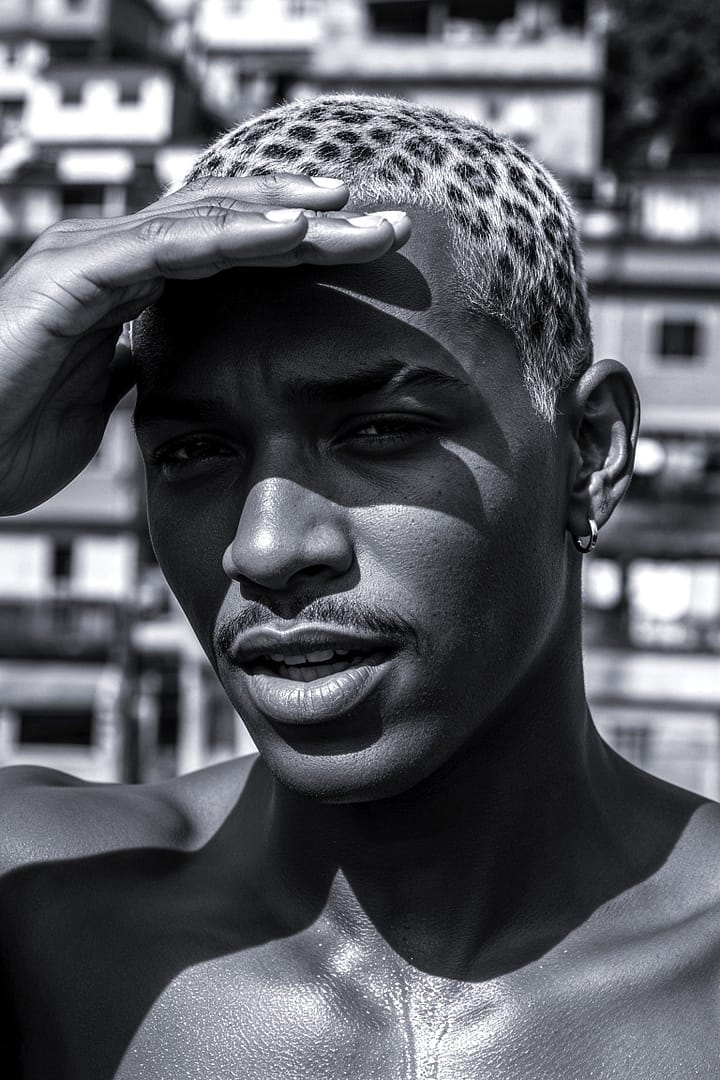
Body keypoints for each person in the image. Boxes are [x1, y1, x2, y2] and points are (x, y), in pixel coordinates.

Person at [0, 93, 717, 1080]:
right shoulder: (40, 903)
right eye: (196, 451)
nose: (266, 546)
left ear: (589, 451)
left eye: (379, 431)